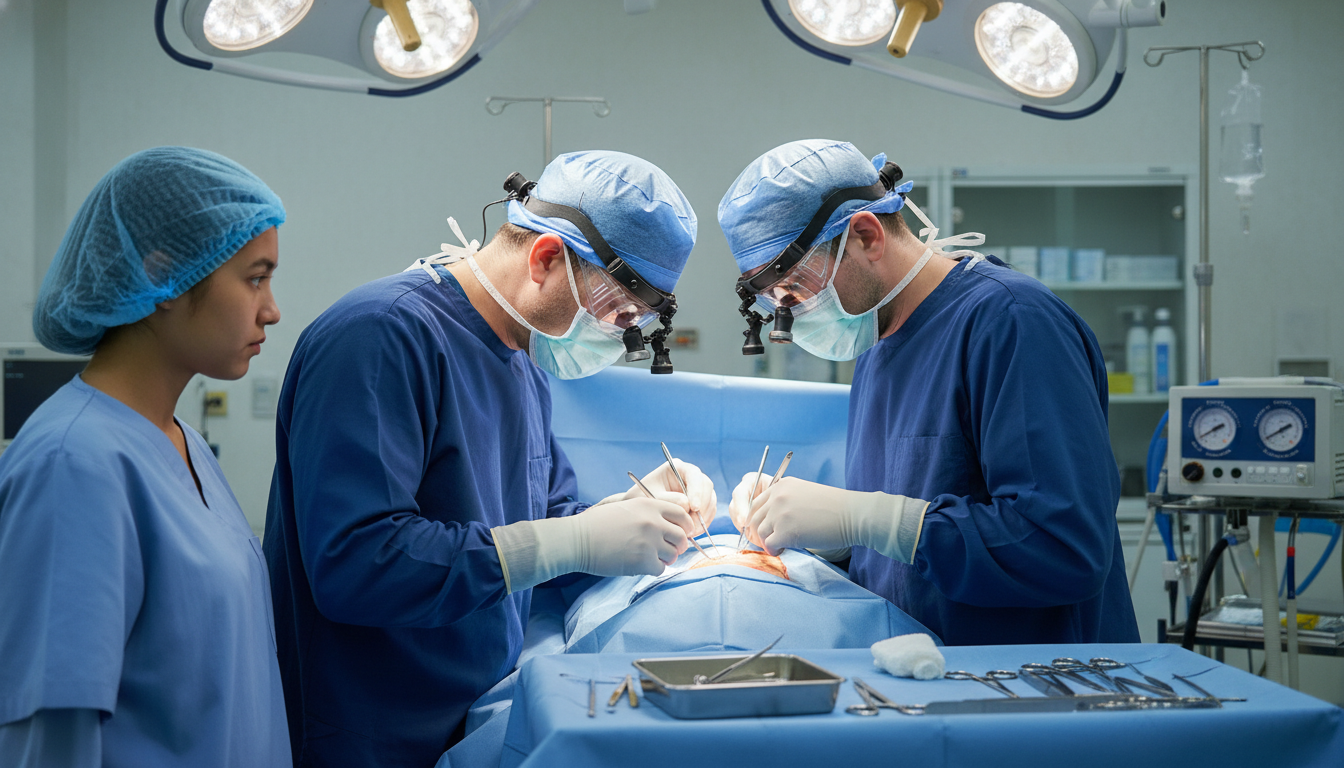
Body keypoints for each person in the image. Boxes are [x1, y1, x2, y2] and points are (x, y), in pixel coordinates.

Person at [264, 150, 714, 768]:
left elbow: (542, 518)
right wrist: (572, 540)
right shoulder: (379, 336)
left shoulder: (522, 356)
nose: (617, 333)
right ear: (546, 258)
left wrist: (628, 514)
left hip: (477, 723)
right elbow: (357, 564)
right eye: (616, 310)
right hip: (370, 733)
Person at [721, 139, 1139, 646]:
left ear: (866, 234)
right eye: (774, 300)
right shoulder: (877, 343)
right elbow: (909, 544)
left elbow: (1063, 547)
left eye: (796, 289)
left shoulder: (1012, 322)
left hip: (1037, 692)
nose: (792, 313)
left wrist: (865, 517)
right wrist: (833, 535)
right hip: (919, 677)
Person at [0, 147, 290, 766]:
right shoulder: (73, 463)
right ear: (166, 275)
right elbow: (51, 735)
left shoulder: (179, 441)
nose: (272, 309)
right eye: (255, 278)